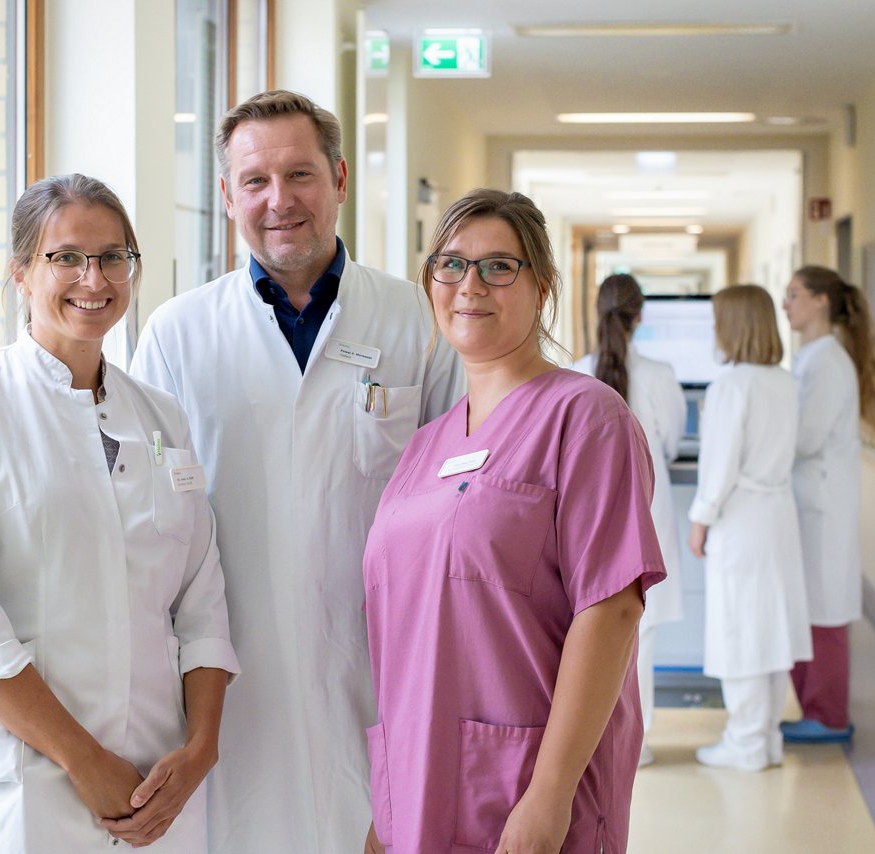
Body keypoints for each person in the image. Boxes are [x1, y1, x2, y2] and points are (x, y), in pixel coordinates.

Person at [131, 91, 464, 853]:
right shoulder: (178, 334)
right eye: (254, 181)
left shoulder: (416, 320)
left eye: (301, 175)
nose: (279, 201)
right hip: (228, 680)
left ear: (341, 179)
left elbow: (457, 509)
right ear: (226, 197)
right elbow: (151, 527)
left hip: (381, 669)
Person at [0, 174, 239, 851]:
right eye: (66, 257)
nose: (95, 277)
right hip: (23, 784)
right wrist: (82, 760)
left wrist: (202, 745)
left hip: (156, 779)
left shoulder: (159, 414)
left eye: (114, 256)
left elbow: (202, 597)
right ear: (23, 274)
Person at [362, 189, 666, 853]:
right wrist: (386, 801)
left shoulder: (587, 419)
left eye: (499, 266)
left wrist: (550, 793)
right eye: (452, 266)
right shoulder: (425, 444)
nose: (471, 285)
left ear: (542, 287)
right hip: (418, 782)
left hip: (528, 784)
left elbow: (610, 611)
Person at [687, 284, 812, 772]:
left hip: (740, 518)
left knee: (740, 630)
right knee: (773, 630)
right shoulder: (783, 381)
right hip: (778, 515)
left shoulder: (732, 386)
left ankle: (744, 742)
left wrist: (700, 520)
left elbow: (718, 467)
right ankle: (766, 736)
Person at [572, 273, 686, 768]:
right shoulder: (661, 375)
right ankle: (634, 746)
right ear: (640, 317)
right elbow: (675, 443)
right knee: (645, 636)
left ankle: (595, 742)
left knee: (591, 633)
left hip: (588, 518)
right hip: (648, 511)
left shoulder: (575, 372)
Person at [780, 265, 875, 743]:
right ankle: (819, 708)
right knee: (814, 608)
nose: (786, 304)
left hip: (820, 504)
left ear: (821, 301)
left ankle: (828, 716)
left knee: (823, 613)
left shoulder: (826, 362)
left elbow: (805, 437)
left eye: (794, 294)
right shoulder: (816, 358)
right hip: (813, 501)